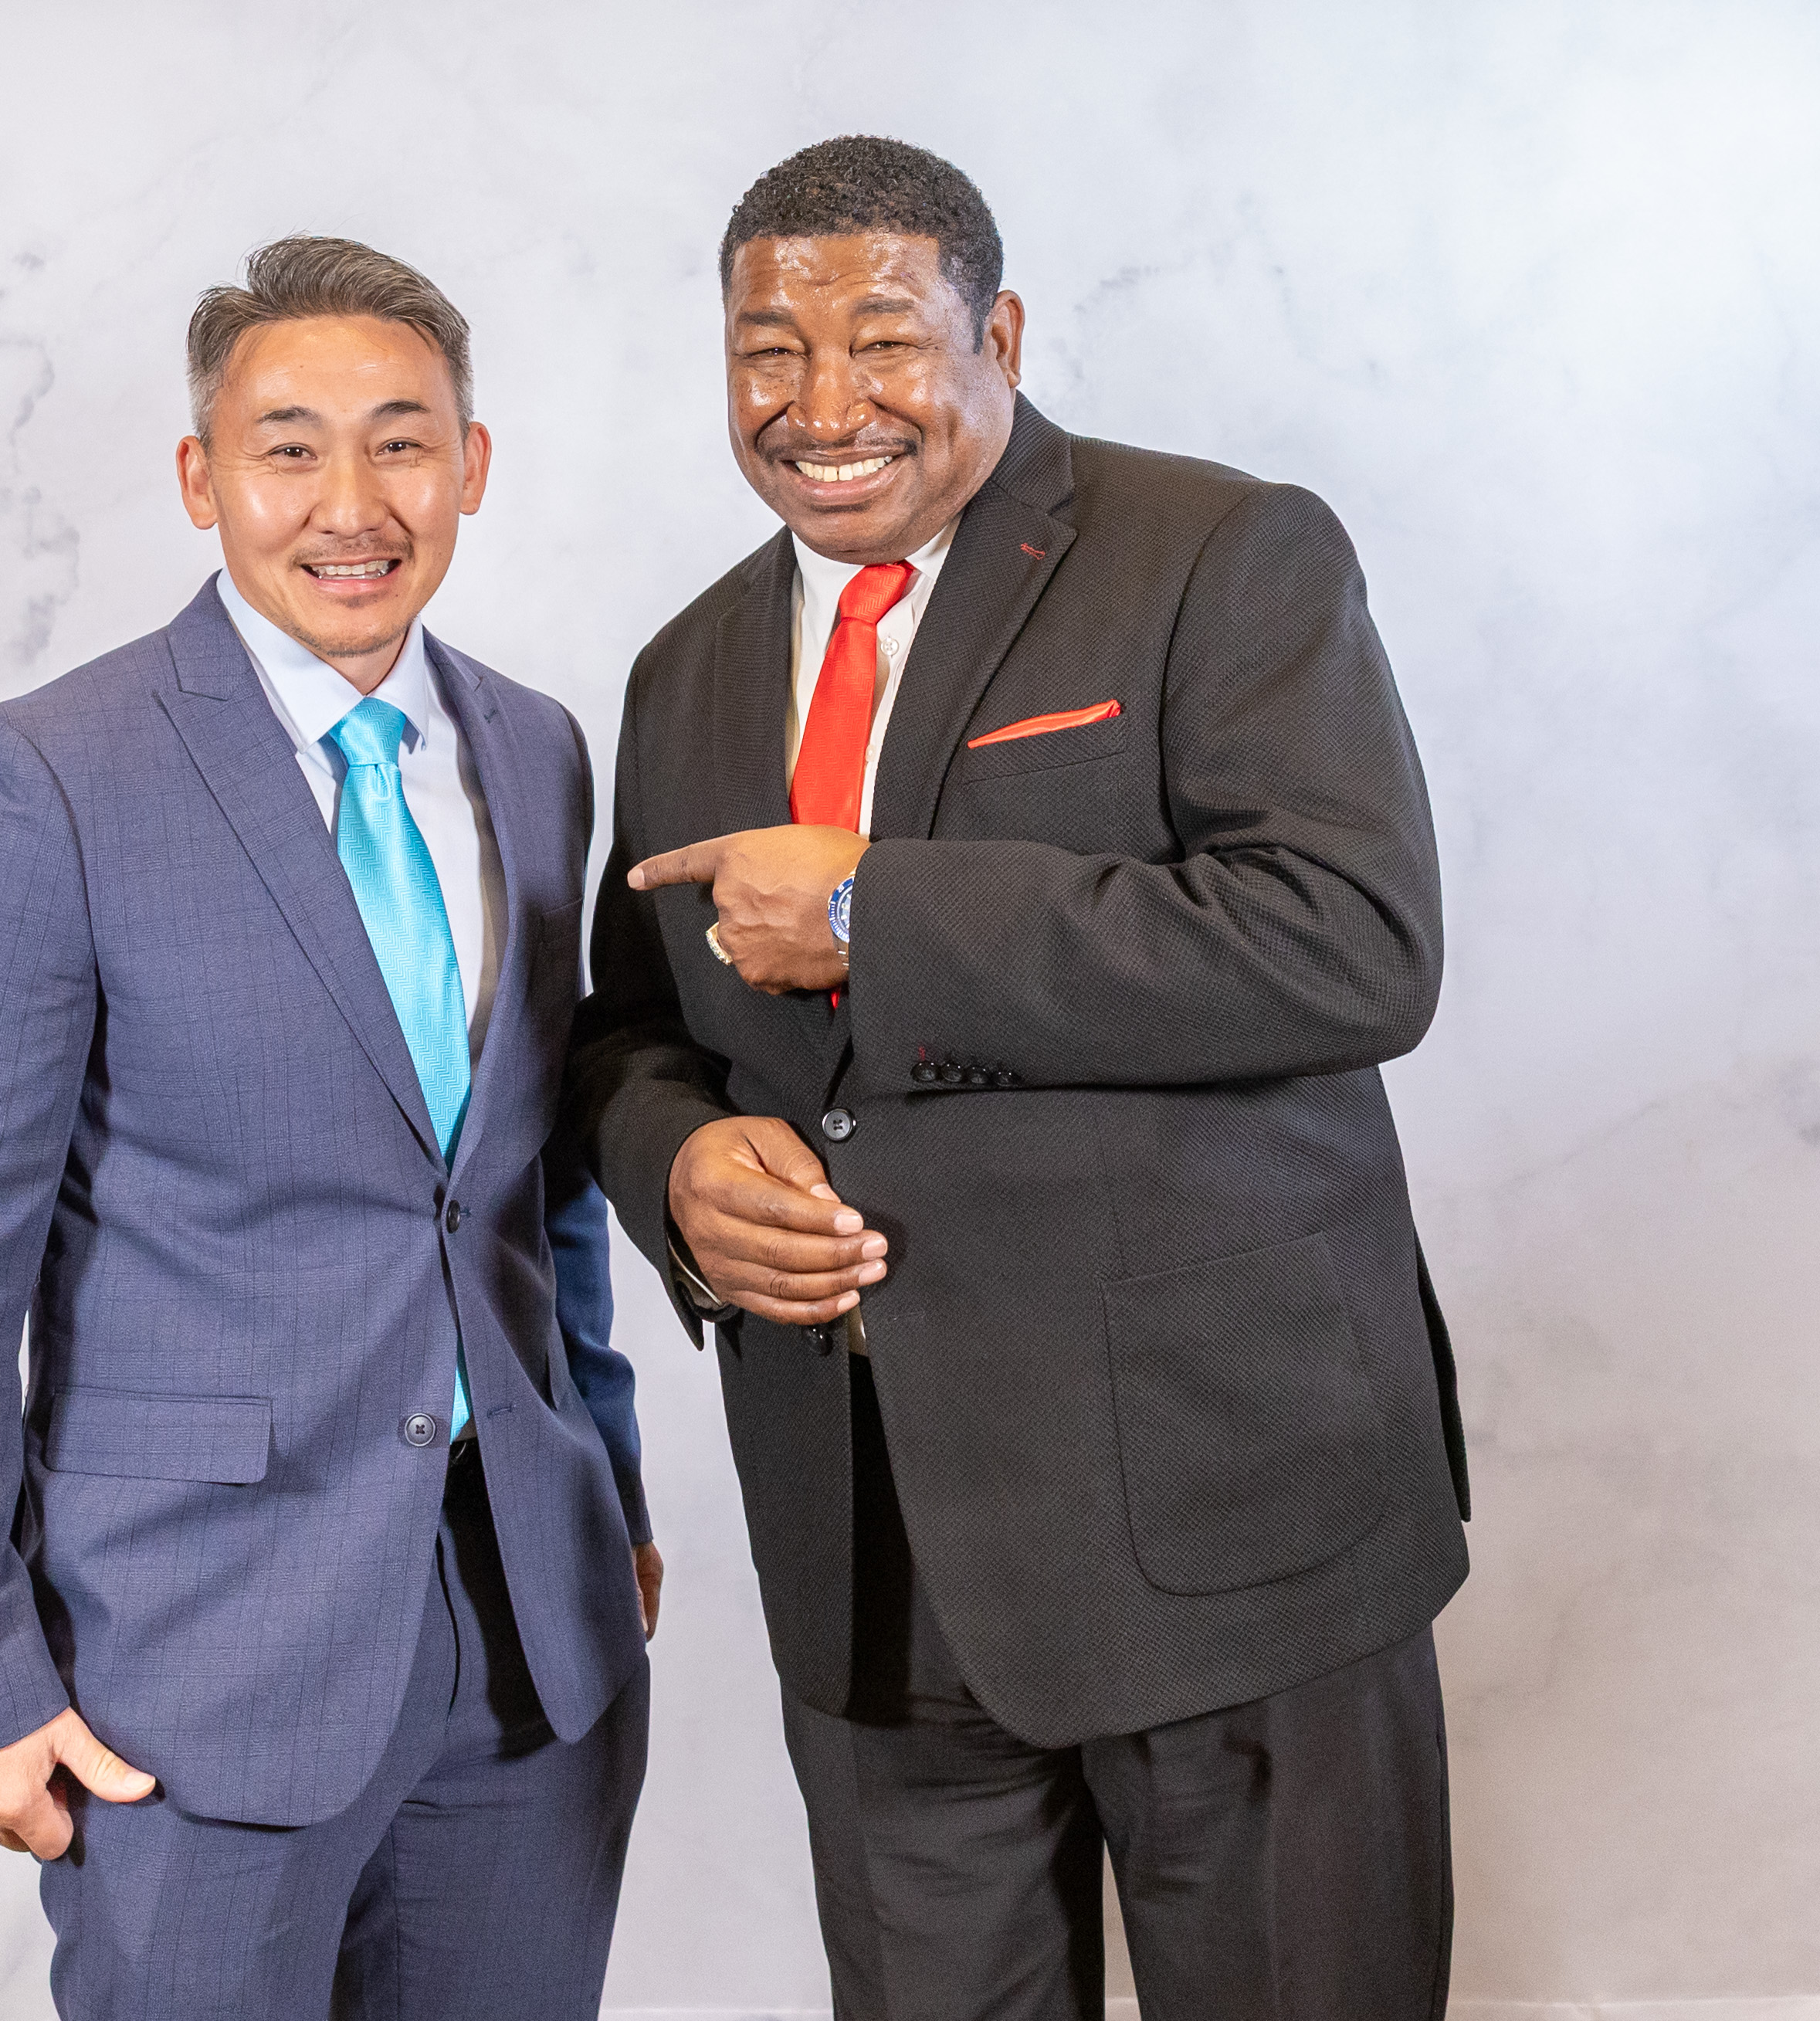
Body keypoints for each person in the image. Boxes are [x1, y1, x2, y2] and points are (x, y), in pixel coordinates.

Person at [568, 137, 1469, 2019]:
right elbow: (630, 1032)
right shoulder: (684, 669)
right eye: (767, 353)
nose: (823, 403)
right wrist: (677, 1170)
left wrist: (879, 917)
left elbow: (1351, 939)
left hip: (1225, 1520)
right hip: (870, 1555)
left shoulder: (1217, 551)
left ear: (1000, 336)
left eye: (884, 339)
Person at [0, 236, 655, 2021]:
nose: (351, 504)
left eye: (401, 441)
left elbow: (536, 1185)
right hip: (189, 1668)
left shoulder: (536, 751)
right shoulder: (48, 780)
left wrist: (607, 1478)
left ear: (472, 465)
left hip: (534, 1645)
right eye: (290, 448)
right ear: (201, 478)